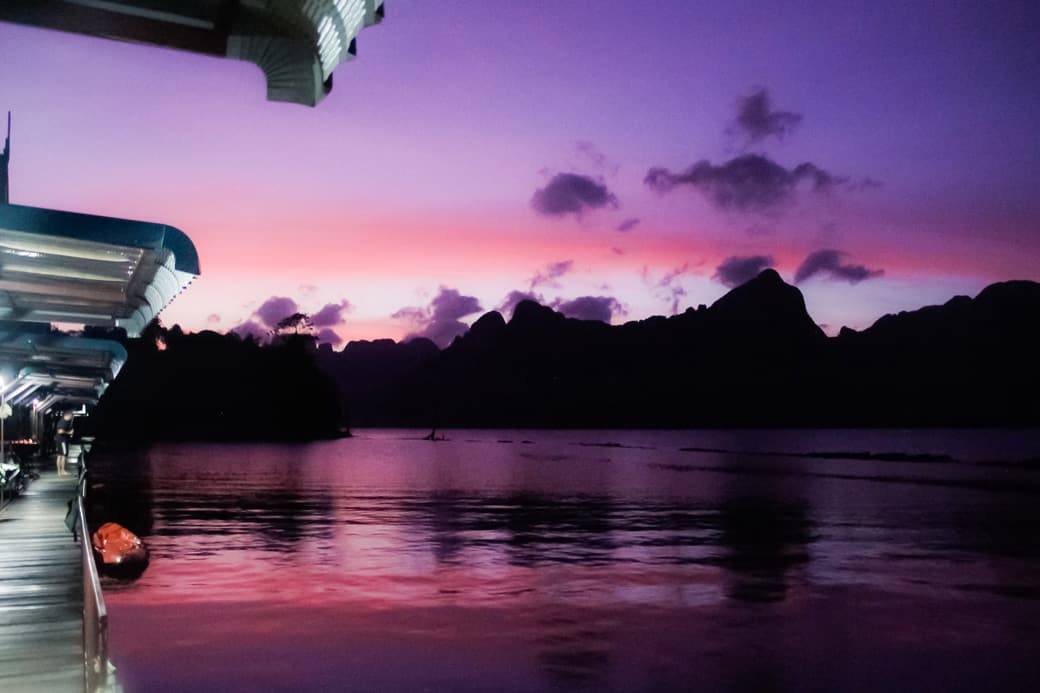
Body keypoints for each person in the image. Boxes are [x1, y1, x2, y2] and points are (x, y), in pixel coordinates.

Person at [55, 411, 73, 477]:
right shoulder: (62, 422)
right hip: (62, 441)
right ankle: (61, 471)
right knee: (62, 455)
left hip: (61, 440)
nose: (71, 418)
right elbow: (60, 431)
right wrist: (69, 432)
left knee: (60, 455)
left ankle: (60, 471)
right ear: (67, 416)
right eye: (70, 417)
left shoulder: (65, 422)